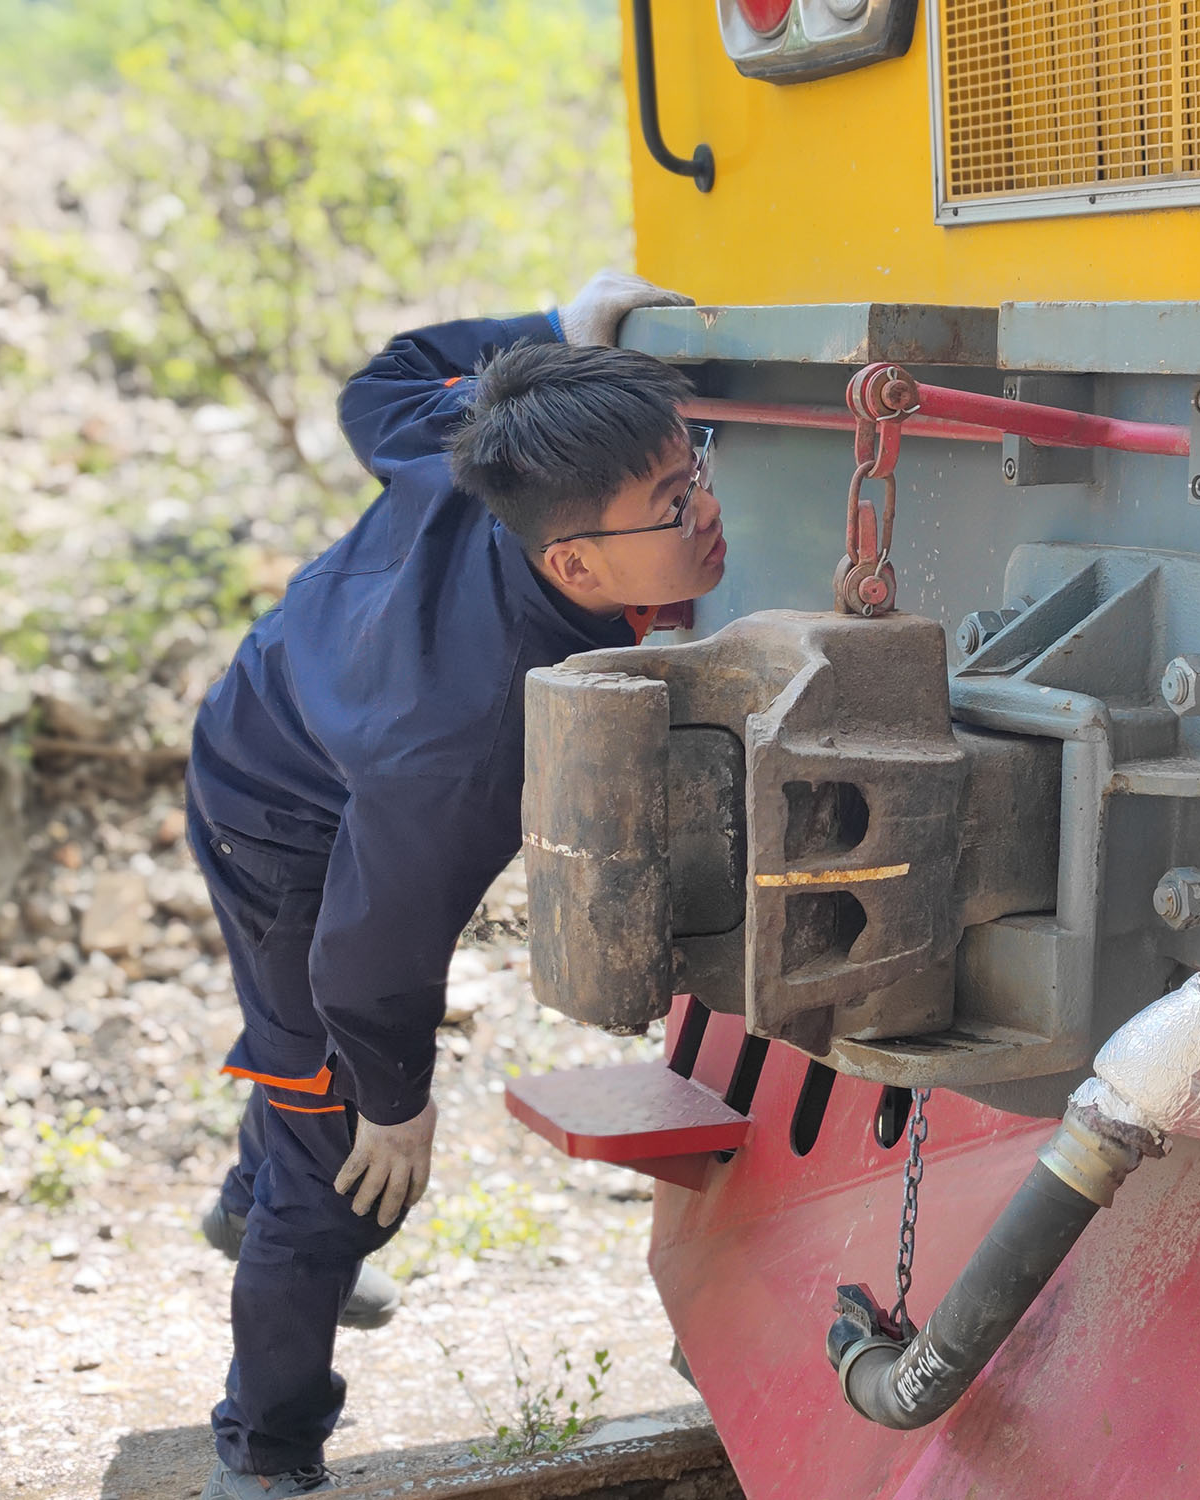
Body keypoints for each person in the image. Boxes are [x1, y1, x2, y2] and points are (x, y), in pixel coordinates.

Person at [184, 270, 715, 1498]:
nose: (705, 513)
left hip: (305, 703)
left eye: (697, 471)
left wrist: (549, 340)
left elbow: (378, 388)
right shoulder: (468, 737)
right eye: (673, 500)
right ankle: (264, 1451)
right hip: (277, 811)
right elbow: (370, 956)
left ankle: (251, 1196)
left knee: (303, 1082)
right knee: (333, 1135)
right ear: (575, 565)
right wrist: (394, 1103)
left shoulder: (488, 461)